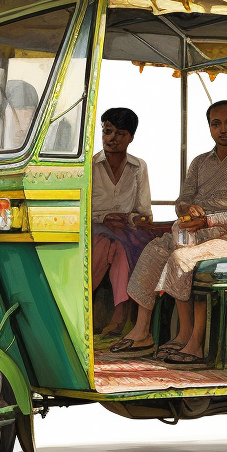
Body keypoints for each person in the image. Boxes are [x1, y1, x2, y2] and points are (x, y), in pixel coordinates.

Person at [122, 100, 227, 365]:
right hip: (197, 233)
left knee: (181, 259)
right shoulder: (200, 162)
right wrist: (187, 208)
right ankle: (142, 331)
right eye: (216, 124)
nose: (222, 129)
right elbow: (183, 199)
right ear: (210, 128)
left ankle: (189, 337)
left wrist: (209, 221)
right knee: (156, 250)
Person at [92, 108, 154, 339]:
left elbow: (144, 212)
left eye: (120, 133)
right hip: (95, 227)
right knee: (108, 243)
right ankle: (116, 313)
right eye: (108, 131)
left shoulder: (139, 167)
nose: (112, 139)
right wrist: (103, 218)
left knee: (119, 245)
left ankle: (119, 315)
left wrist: (130, 219)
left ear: (131, 137)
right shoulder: (88, 165)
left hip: (126, 230)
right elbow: (80, 210)